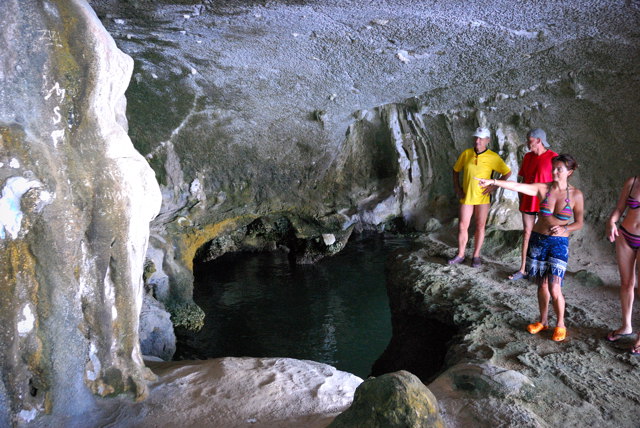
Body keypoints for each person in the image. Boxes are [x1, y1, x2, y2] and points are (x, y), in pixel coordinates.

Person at [476, 154, 584, 342]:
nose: (555, 172)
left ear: (570, 172)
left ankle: (560, 324)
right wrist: (494, 181)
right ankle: (542, 321)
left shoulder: (576, 194)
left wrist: (566, 228)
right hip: (538, 239)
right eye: (554, 168)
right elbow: (518, 186)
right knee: (541, 284)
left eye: (559, 169)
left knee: (554, 285)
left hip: (559, 243)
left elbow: (580, 222)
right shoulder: (544, 188)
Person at [449, 127, 511, 267]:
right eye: (476, 138)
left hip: (483, 197)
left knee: (480, 226)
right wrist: (457, 187)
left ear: (487, 140)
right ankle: (460, 255)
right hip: (467, 196)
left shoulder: (493, 157)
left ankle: (476, 256)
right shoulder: (466, 153)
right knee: (463, 225)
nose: (478, 141)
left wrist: (494, 186)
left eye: (481, 138)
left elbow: (506, 172)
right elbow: (455, 170)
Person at [509, 129, 558, 280]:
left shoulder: (553, 157)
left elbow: (558, 182)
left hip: (545, 202)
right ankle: (523, 269)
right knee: (527, 233)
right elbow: (522, 179)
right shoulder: (528, 157)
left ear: (539, 140)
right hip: (528, 201)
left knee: (546, 234)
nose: (527, 142)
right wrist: (520, 199)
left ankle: (544, 271)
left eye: (529, 140)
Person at [605, 175, 640, 355]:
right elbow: (620, 208)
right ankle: (626, 326)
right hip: (626, 235)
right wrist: (612, 221)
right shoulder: (633, 182)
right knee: (627, 283)